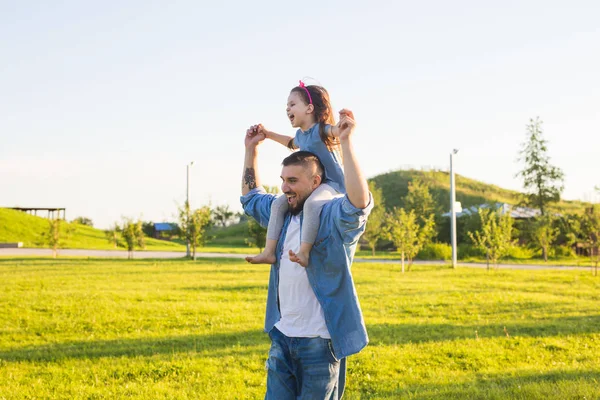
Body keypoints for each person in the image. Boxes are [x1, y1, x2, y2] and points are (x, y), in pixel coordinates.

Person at [240, 109, 373, 399]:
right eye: (283, 180)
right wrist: (251, 151)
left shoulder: (329, 215)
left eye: (293, 182)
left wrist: (347, 143)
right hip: (281, 337)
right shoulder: (284, 213)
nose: (285, 188)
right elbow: (251, 199)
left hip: (319, 343)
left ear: (315, 183)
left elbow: (358, 206)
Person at [245, 81, 345, 268]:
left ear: (309, 108)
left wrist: (343, 125)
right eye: (286, 106)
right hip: (314, 183)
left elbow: (336, 131)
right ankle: (269, 252)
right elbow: (291, 143)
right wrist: (267, 134)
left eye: (292, 104)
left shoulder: (320, 129)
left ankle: (304, 253)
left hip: (332, 184)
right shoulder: (301, 135)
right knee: (277, 205)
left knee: (312, 204)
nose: (287, 109)